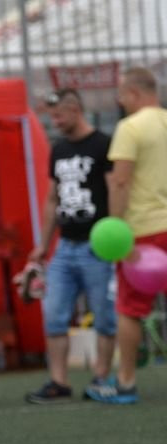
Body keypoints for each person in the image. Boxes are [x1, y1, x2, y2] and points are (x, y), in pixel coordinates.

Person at [24, 89, 116, 404]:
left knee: (104, 316)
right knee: (54, 314)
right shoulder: (59, 149)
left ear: (75, 110)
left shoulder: (103, 144)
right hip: (65, 246)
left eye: (59, 115)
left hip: (98, 246)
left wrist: (115, 236)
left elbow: (114, 190)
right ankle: (59, 381)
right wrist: (43, 244)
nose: (56, 122)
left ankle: (102, 378)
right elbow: (52, 199)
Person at [87, 67, 167, 404]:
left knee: (131, 309)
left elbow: (120, 181)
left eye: (121, 95)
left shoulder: (130, 127)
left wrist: (115, 231)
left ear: (134, 93)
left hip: (143, 231)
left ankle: (126, 382)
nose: (119, 102)